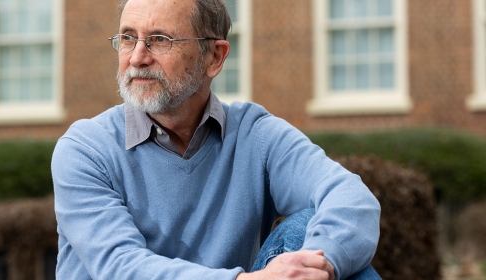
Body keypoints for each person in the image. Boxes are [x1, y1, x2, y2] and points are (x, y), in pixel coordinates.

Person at [51, 0, 381, 279]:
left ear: (215, 57)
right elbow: (121, 267)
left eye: (159, 40)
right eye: (127, 38)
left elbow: (352, 200)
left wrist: (322, 267)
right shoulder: (85, 149)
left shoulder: (256, 135)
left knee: (322, 239)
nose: (137, 57)